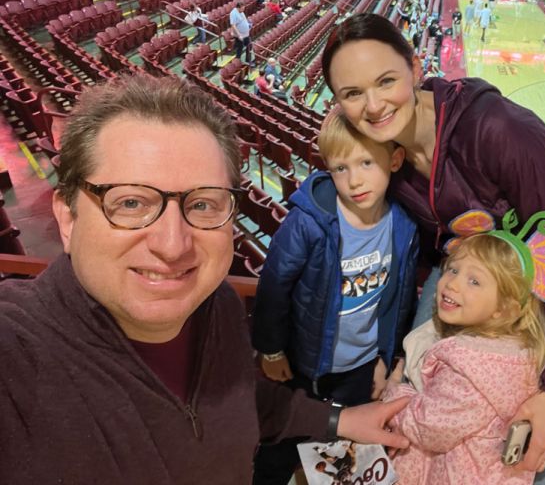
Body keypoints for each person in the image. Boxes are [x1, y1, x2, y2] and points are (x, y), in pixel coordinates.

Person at [0, 74, 412, 483]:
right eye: (130, 202)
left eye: (202, 204)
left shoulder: (219, 306)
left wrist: (338, 419)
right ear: (68, 218)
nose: (173, 244)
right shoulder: (17, 355)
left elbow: (240, 399)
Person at [321, 14, 545, 484]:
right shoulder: (379, 152)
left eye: (386, 80)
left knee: (533, 463)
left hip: (541, 298)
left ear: (415, 66)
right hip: (460, 285)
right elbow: (416, 258)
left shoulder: (498, 129)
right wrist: (396, 351)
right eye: (352, 93)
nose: (373, 105)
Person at [251, 108, 418, 485]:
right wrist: (272, 349)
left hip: (359, 369)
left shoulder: (404, 225)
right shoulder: (309, 221)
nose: (354, 180)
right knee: (279, 448)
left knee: (346, 457)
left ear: (394, 160)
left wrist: (385, 358)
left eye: (366, 163)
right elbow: (273, 286)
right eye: (341, 168)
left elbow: (399, 301)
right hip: (303, 363)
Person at [385, 225, 545, 484]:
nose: (452, 283)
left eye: (474, 281)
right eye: (453, 270)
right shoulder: (516, 354)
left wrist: (394, 394)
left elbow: (428, 426)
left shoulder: (469, 364)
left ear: (504, 309)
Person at [229, 1, 252, 66]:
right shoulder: (233, 13)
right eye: (242, 9)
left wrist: (248, 24)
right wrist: (239, 35)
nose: (243, 10)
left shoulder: (241, 11)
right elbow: (233, 25)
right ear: (238, 8)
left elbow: (244, 19)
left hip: (246, 33)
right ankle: (236, 62)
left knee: (249, 46)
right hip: (240, 35)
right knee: (240, 48)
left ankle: (247, 60)